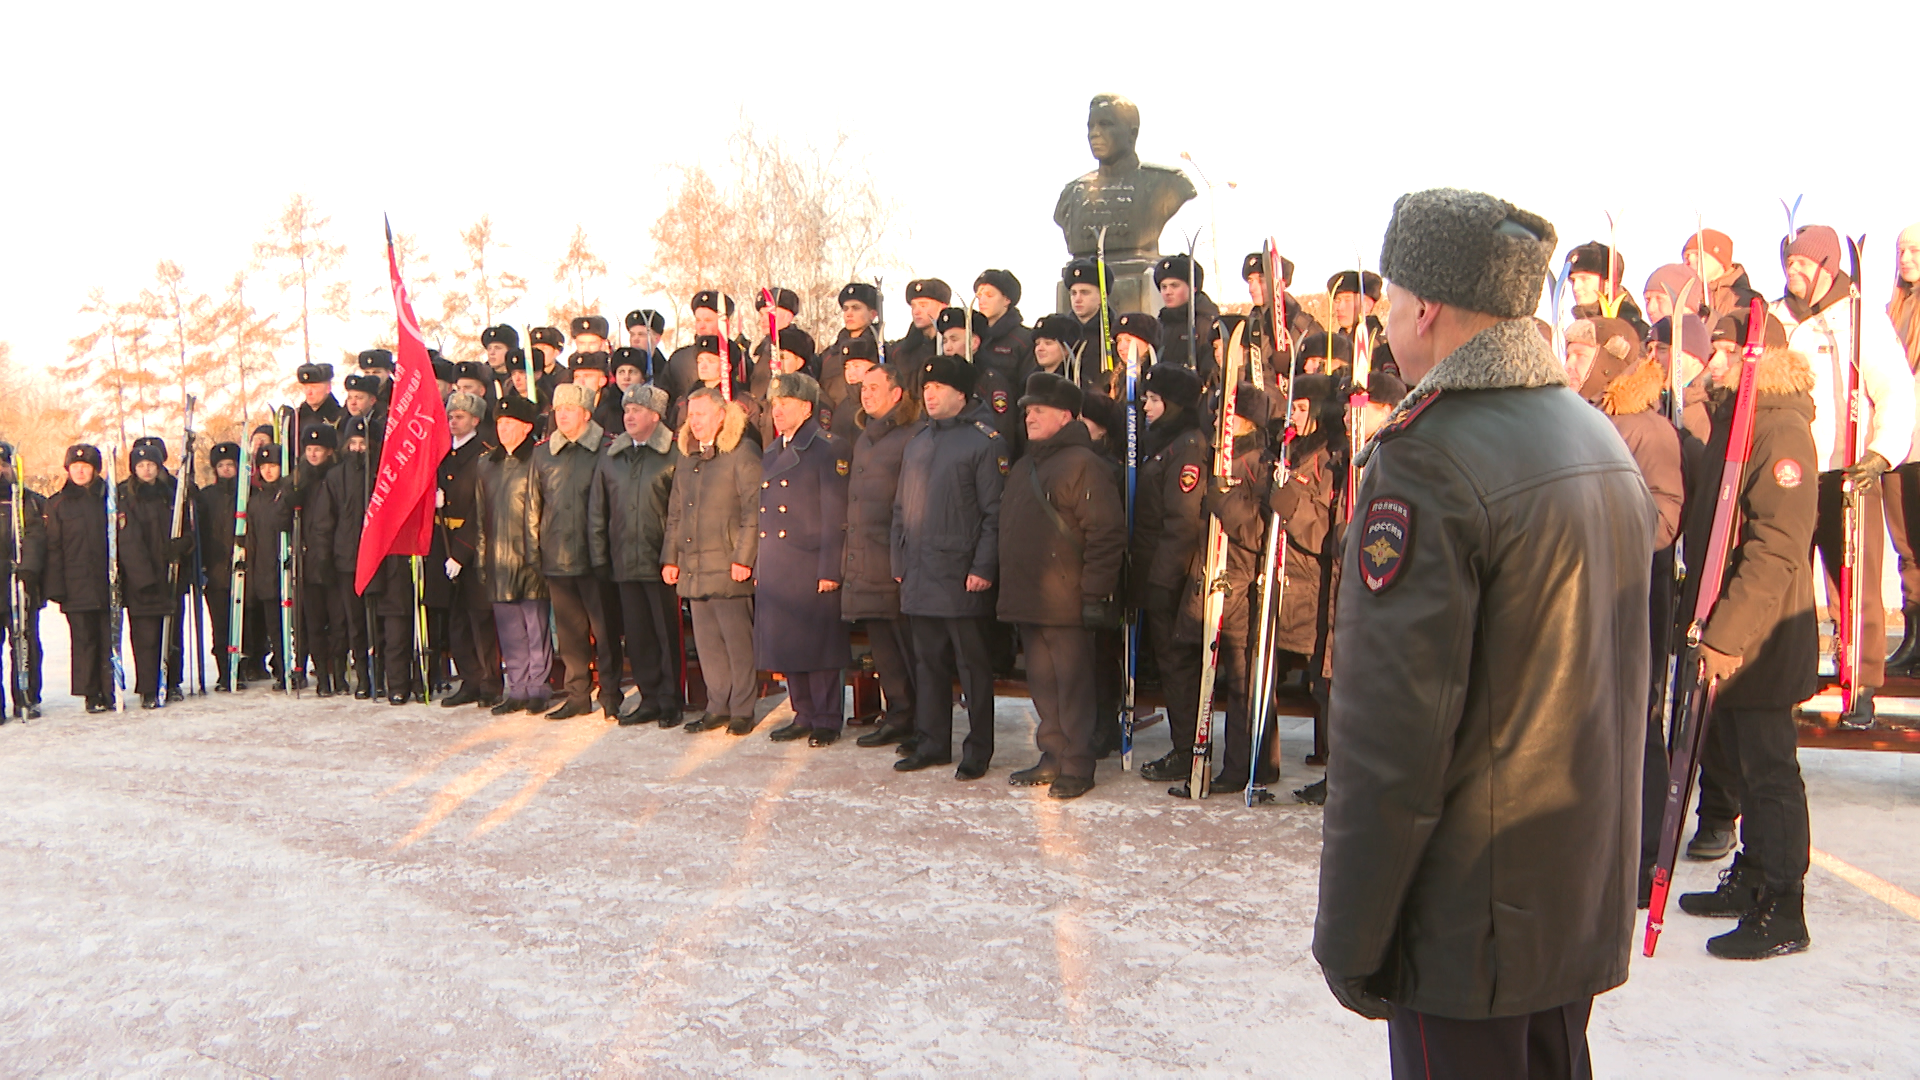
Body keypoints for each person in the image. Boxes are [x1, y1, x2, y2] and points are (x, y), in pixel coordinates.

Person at [1314, 189, 1654, 1078]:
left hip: (1466, 923)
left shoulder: (1427, 456)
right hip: (1566, 895)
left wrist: (1353, 934)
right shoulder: (1593, 434)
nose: (1384, 321)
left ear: (1425, 307)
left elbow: (1395, 734)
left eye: (1388, 302)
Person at [1674, 315, 1819, 960]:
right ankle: (1754, 875)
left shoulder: (1780, 428)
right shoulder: (1736, 419)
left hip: (1759, 636)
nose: (1715, 362)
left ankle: (1783, 905)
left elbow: (1775, 549)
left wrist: (1727, 635)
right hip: (1728, 633)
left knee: (1769, 772)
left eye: (1728, 353)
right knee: (1739, 759)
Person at [1771, 224, 1915, 727]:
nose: (1794, 272)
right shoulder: (1777, 318)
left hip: (1847, 471)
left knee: (1852, 581)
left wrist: (1881, 453)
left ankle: (1862, 682)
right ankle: (1791, 676)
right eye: (1790, 263)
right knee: (1787, 579)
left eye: (1804, 264)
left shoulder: (1857, 320)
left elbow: (1896, 389)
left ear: (1827, 267)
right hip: (1789, 471)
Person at [999, 372, 1125, 798]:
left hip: (1067, 599)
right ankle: (1053, 755)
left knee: (1072, 687)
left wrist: (1095, 595)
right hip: (1029, 599)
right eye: (1027, 411)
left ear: (1066, 416)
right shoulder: (1024, 465)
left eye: (1039, 410)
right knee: (1044, 685)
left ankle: (1077, 764)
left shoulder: (1083, 465)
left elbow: (1106, 534)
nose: (1029, 417)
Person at [892, 354, 1005, 780]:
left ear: (962, 393)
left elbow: (995, 514)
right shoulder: (918, 441)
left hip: (962, 576)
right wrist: (898, 558)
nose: (930, 394)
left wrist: (983, 567)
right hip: (920, 572)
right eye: (926, 388)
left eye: (939, 388)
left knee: (972, 667)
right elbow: (901, 508)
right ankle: (932, 741)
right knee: (928, 663)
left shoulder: (984, 441)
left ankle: (978, 748)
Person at [1170, 383, 1277, 799]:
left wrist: (1224, 498)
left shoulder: (1256, 463)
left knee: (1242, 681)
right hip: (1210, 581)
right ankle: (1202, 757)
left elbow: (1257, 532)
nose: (1217, 421)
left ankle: (1245, 766)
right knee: (1202, 672)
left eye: (1226, 415)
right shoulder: (1218, 457)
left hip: (1242, 586)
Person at [751, 374, 853, 745]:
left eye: (786, 404)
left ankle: (826, 717)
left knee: (819, 644)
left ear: (807, 407)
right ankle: (803, 712)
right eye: (774, 405)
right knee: (789, 642)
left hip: (812, 561)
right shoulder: (772, 450)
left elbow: (835, 514)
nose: (777, 411)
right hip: (780, 562)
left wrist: (830, 568)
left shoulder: (828, 449)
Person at [663, 388, 762, 734]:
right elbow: (675, 512)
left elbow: (754, 510)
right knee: (707, 642)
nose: (695, 421)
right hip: (693, 564)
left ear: (721, 415)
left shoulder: (741, 452)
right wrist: (670, 557)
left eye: (702, 414)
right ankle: (717, 704)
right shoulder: (688, 456)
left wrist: (744, 557)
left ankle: (742, 709)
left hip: (729, 563)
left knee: (737, 642)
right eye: (692, 415)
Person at [1129, 363, 1209, 783]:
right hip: (1155, 572)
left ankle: (1189, 750)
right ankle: (1185, 744)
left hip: (1174, 578)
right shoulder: (1162, 442)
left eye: (1155, 399)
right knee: (1170, 663)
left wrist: (1163, 580)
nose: (1146, 405)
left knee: (1178, 665)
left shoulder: (1187, 447)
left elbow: (1181, 522)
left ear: (1175, 404)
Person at [589, 383, 683, 726]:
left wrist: (673, 556)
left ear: (655, 416)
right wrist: (600, 556)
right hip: (624, 560)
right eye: (627, 410)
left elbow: (679, 512)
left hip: (661, 563)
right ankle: (649, 696)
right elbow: (598, 511)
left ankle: (671, 700)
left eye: (637, 411)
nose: (629, 416)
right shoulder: (612, 456)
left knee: (665, 633)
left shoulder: (674, 454)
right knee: (639, 635)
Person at [846, 364, 924, 751]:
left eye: (875, 387)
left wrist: (903, 558)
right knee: (884, 649)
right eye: (863, 387)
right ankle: (897, 714)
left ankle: (921, 721)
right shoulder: (866, 437)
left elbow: (912, 503)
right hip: (867, 558)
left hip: (896, 560)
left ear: (897, 394)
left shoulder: (912, 435)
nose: (866, 393)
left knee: (909, 649)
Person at [533, 383, 618, 720]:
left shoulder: (606, 449)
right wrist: (535, 552)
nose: (563, 415)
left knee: (606, 631)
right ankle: (577, 695)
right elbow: (534, 506)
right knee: (569, 635)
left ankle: (611, 695)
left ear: (586, 413)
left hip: (596, 557)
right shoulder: (543, 453)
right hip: (557, 555)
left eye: (570, 408)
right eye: (558, 409)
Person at [474, 395, 552, 715]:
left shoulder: (538, 460)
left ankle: (538, 685)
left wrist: (538, 555)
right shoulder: (486, 464)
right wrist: (482, 557)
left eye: (511, 424)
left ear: (527, 427)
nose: (504, 430)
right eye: (501, 424)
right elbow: (481, 516)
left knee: (535, 626)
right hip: (498, 558)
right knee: (509, 629)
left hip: (530, 556)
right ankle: (517, 686)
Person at [117, 438, 193, 709]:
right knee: (146, 636)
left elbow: (188, 526)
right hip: (142, 580)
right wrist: (144, 578)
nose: (146, 470)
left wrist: (184, 544)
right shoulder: (125, 496)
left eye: (151, 464)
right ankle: (149, 686)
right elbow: (127, 541)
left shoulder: (171, 493)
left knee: (172, 633)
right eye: (141, 465)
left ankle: (172, 682)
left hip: (170, 575)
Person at [437, 392, 502, 708]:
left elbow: (482, 510)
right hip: (445, 544)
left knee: (481, 619)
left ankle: (490, 681)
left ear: (475, 420)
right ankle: (469, 679)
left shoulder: (484, 456)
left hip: (472, 549)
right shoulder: (445, 455)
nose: (453, 421)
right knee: (457, 620)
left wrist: (461, 553)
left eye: (460, 416)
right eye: (451, 416)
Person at [44, 444, 115, 712]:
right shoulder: (58, 503)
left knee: (108, 638)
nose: (81, 471)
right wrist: (57, 587)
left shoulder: (109, 498)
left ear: (96, 470)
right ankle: (91, 693)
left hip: (106, 582)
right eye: (75, 467)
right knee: (84, 641)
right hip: (76, 584)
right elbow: (53, 548)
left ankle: (110, 689)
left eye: (86, 467)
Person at [1884, 223, 1920, 676]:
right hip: (1899, 443)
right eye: (1901, 250)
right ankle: (1913, 635)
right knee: (1906, 544)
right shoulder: (1893, 312)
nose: (1905, 257)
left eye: (1915, 249)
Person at [291, 424, 340, 695]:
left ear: (329, 451)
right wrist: (291, 496)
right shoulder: (299, 476)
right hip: (308, 562)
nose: (312, 454)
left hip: (334, 559)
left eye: (317, 449)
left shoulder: (337, 475)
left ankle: (339, 672)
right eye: (309, 449)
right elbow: (279, 517)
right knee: (313, 623)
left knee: (339, 622)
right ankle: (321, 674)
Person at [0, 444, 46, 719]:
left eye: (3, 465)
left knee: (25, 643)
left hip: (21, 585)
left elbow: (36, 536)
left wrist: (28, 568)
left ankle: (26, 696)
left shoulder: (28, 501)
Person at [194, 442, 243, 692]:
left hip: (243, 570)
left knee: (243, 622)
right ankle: (224, 671)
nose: (226, 470)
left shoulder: (246, 494)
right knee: (221, 624)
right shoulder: (206, 496)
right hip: (215, 571)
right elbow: (199, 531)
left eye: (230, 465)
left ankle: (242, 668)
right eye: (221, 466)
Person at [1154, 254, 1221, 378]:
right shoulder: (1161, 322)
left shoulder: (1205, 322)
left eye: (1175, 285)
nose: (1168, 292)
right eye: (1163, 287)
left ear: (1193, 288)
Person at [1682, 228, 1765, 327]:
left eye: (1698, 255)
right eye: (1686, 257)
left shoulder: (1748, 301)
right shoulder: (1683, 299)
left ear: (1720, 260)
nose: (1689, 262)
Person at [1567, 239, 1648, 337]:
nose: (1576, 288)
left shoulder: (1635, 332)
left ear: (1608, 284)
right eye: (1573, 281)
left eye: (1584, 279)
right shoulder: (1575, 330)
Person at [973, 269, 1033, 384]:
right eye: (979, 296)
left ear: (1007, 299)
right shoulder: (972, 336)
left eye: (989, 295)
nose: (982, 301)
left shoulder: (1024, 340)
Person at [888, 278, 949, 377]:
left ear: (943, 307)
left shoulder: (953, 348)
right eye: (913, 306)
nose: (916, 311)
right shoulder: (899, 352)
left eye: (923, 305)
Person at [623, 309, 669, 383]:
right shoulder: (622, 368)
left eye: (641, 334)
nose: (635, 339)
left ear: (657, 338)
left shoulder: (666, 373)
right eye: (632, 335)